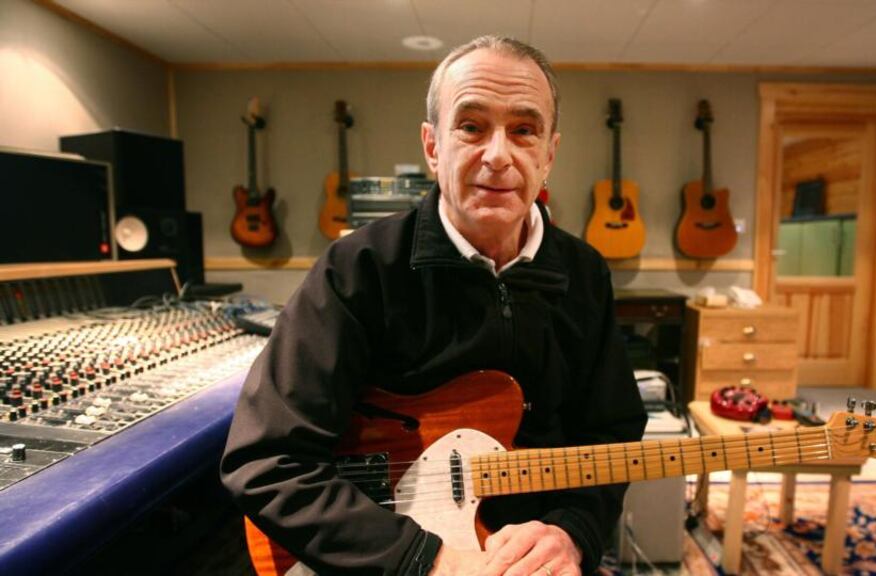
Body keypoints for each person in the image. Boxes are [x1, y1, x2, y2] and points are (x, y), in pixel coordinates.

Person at [221, 35, 647, 576]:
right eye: (471, 126)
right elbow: (268, 462)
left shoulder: (583, 272)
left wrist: (573, 532)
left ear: (549, 155)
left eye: (524, 130)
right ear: (431, 146)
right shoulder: (357, 268)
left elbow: (609, 434)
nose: (498, 155)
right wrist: (424, 560)